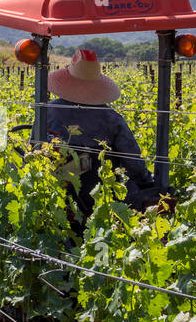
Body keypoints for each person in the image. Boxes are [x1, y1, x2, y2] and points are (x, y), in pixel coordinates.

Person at [44, 48, 170, 219]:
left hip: (52, 192)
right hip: (97, 198)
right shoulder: (112, 120)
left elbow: (33, 149)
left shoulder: (47, 112)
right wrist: (148, 183)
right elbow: (133, 164)